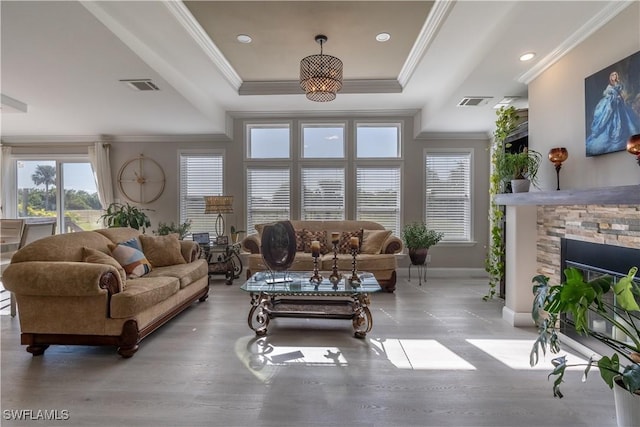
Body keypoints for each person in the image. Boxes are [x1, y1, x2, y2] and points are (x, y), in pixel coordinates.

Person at [586, 71, 640, 156]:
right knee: (608, 116)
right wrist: (612, 97)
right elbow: (605, 93)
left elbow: (621, 94)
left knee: (622, 117)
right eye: (612, 75)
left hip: (618, 103)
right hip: (610, 103)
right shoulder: (609, 86)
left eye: (615, 75)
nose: (614, 76)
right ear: (610, 77)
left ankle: (620, 135)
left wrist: (620, 98)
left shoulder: (619, 85)